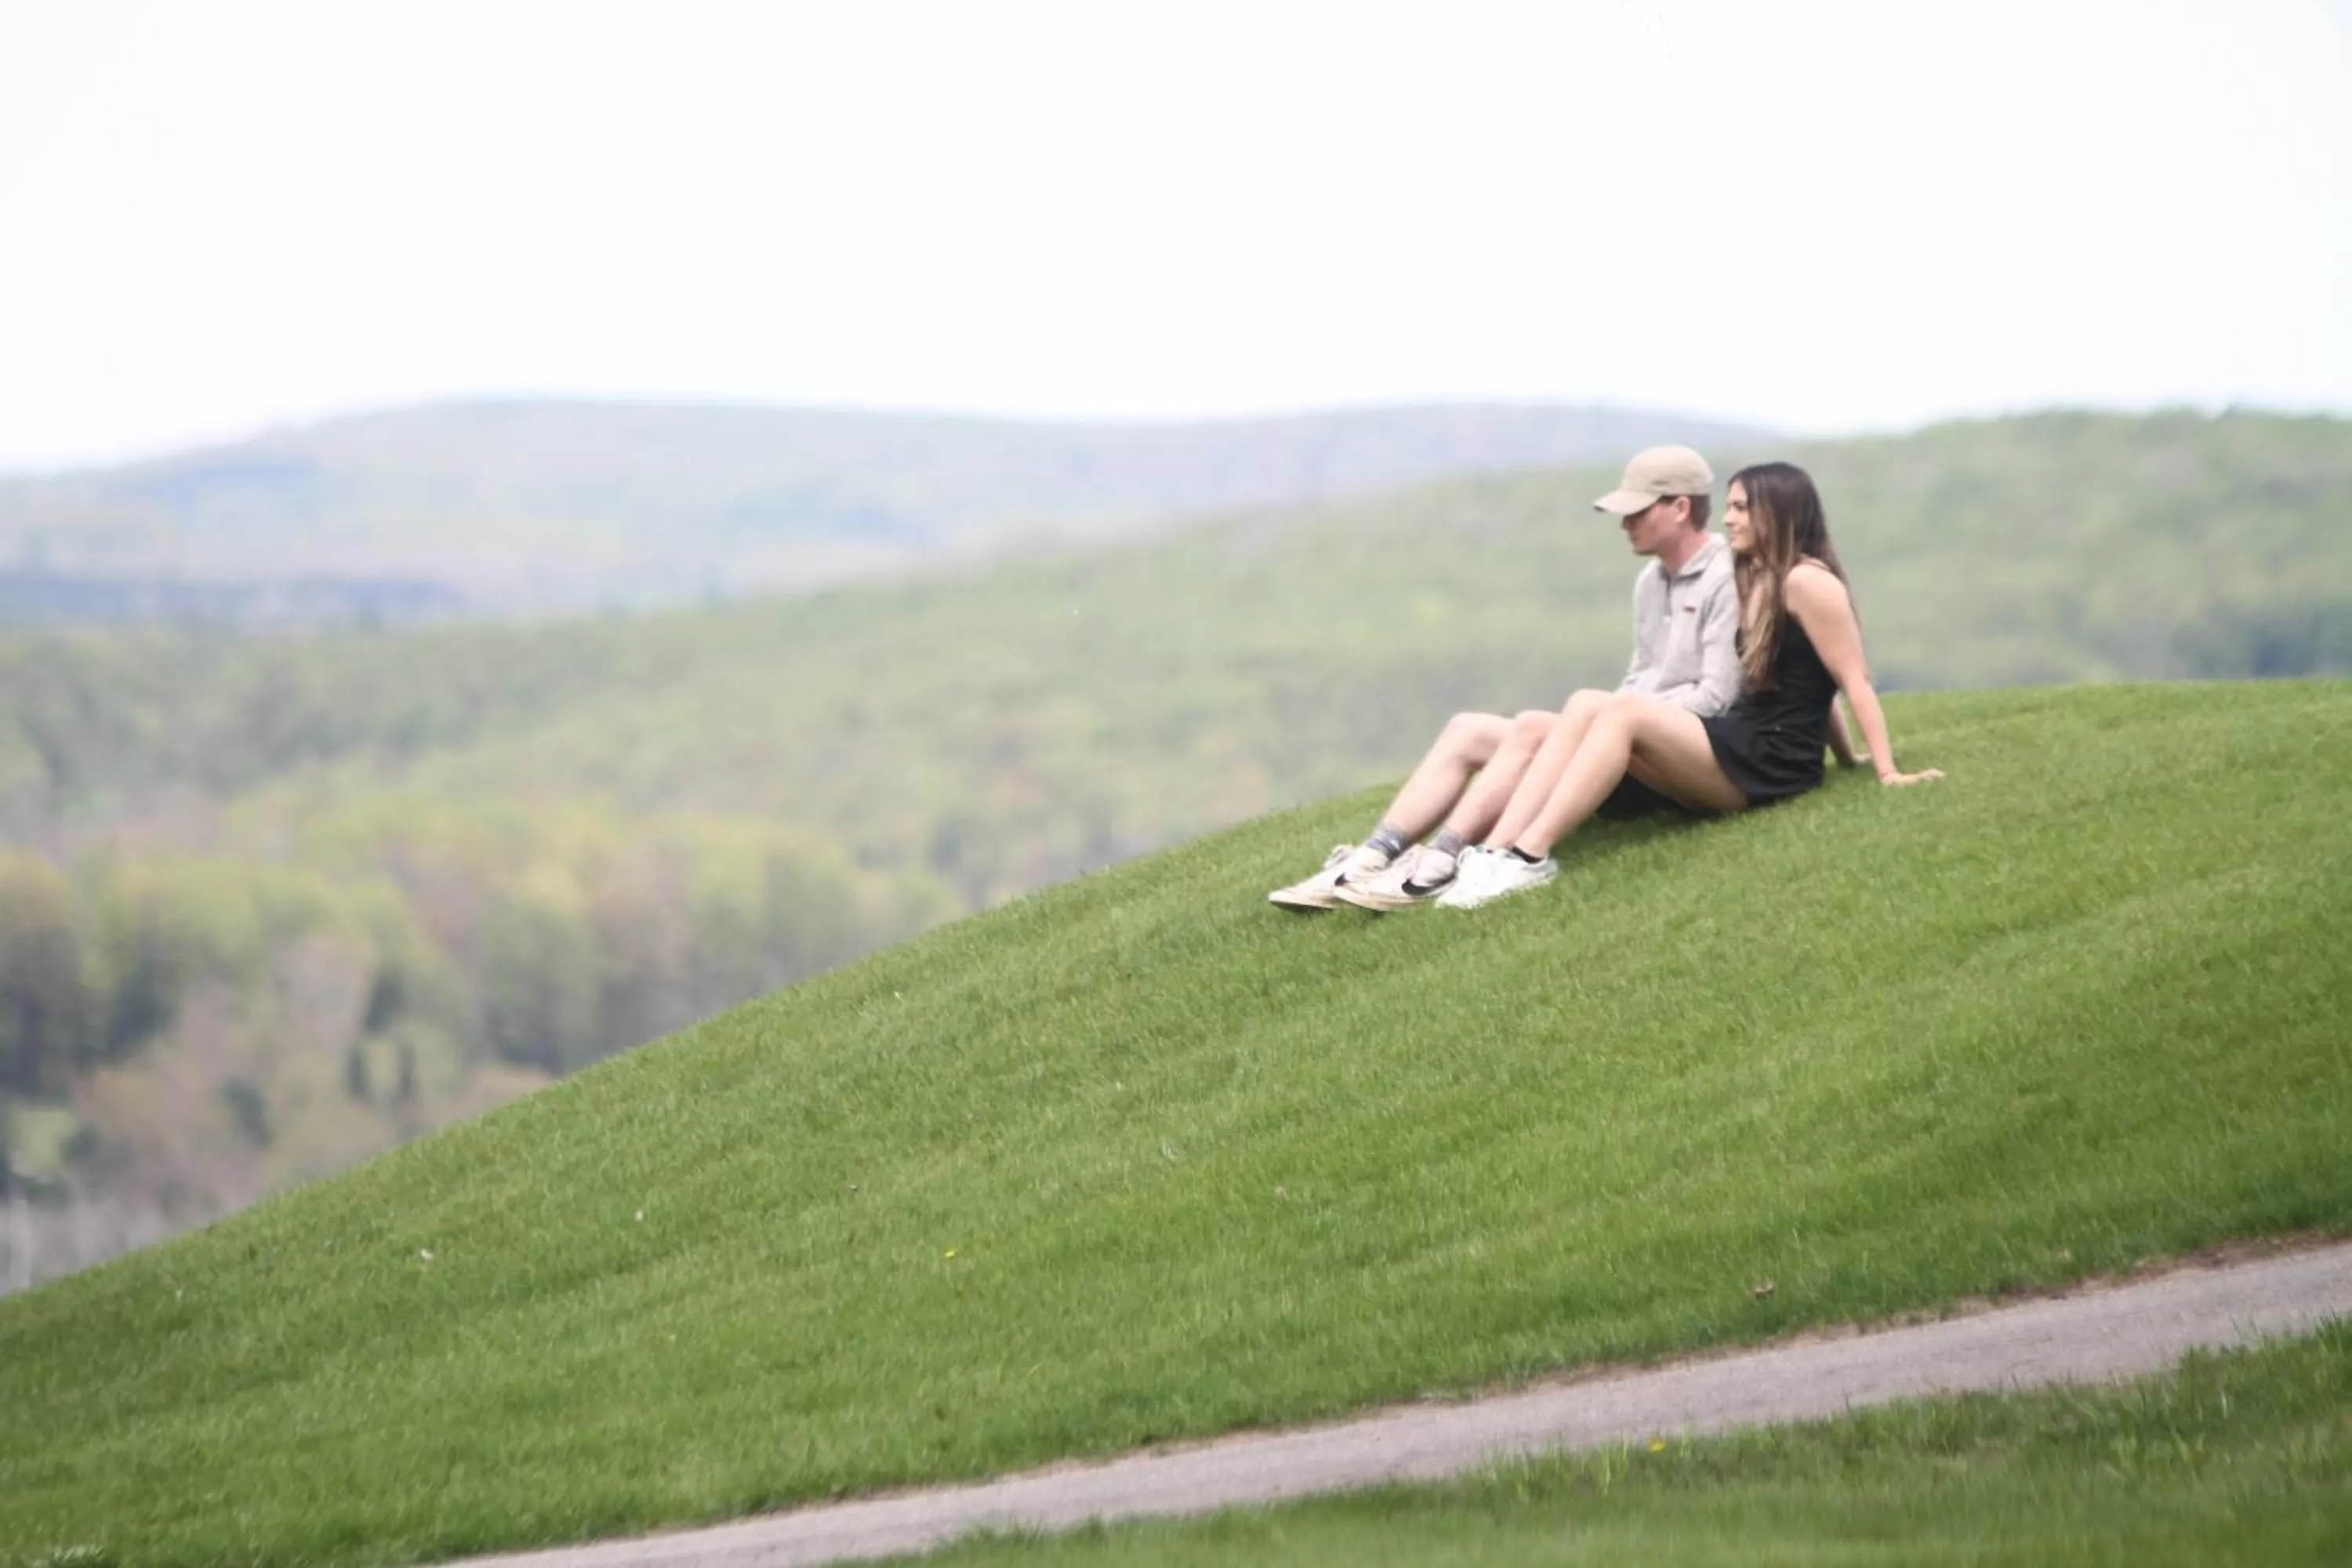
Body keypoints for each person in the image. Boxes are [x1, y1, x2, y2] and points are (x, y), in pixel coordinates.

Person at [1432, 459, 1942, 909]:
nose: (1728, 518)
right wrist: (1843, 757)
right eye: (1729, 506)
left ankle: (1529, 855)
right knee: (1589, 704)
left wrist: (1885, 770)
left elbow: (1852, 680)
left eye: (1742, 507)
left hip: (1769, 763)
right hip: (1742, 745)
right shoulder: (1758, 576)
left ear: (1781, 511)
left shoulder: (1810, 582)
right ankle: (1497, 853)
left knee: (1623, 711)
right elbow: (1809, 684)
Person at [1268, 445, 1742, 911]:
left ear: (1680, 508)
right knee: (1469, 729)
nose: (1625, 523)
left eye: (1637, 512)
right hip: (1626, 741)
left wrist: (1615, 720)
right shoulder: (1651, 582)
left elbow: (1718, 697)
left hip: (1678, 756)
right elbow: (1640, 676)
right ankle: (1373, 858)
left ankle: (1446, 862)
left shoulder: (1727, 577)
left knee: (1556, 722)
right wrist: (1599, 725)